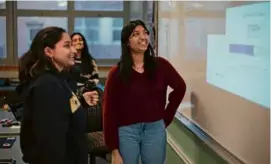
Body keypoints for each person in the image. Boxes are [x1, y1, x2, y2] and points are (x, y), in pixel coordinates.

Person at [103, 20, 186, 164]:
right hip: (126, 131)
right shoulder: (117, 73)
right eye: (136, 34)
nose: (143, 37)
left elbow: (180, 87)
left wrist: (166, 117)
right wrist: (114, 150)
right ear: (127, 42)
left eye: (145, 33)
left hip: (154, 129)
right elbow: (108, 111)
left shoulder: (161, 65)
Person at [17, 26, 99, 164]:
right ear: (49, 51)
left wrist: (81, 101)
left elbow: (62, 109)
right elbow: (51, 145)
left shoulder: (59, 80)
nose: (74, 50)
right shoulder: (47, 85)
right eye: (67, 46)